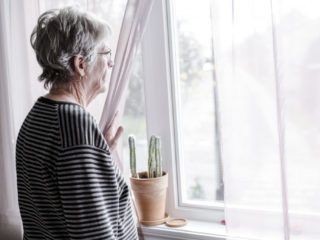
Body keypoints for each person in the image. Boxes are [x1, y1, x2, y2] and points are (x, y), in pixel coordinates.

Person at [15, 7, 138, 240]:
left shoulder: (37, 116)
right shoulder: (74, 125)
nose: (111, 63)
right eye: (106, 53)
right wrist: (88, 147)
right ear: (80, 64)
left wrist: (100, 157)